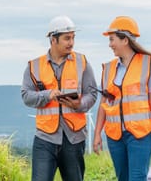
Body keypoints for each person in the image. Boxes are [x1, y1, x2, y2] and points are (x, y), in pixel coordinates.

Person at [21, 15, 97, 181]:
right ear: (53, 40)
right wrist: (47, 95)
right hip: (45, 137)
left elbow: (92, 93)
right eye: (66, 38)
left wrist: (80, 104)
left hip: (74, 137)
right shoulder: (34, 66)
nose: (71, 42)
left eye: (73, 38)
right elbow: (26, 96)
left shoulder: (81, 62)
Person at [93, 16, 151, 181]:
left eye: (112, 39)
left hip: (141, 134)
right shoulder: (108, 69)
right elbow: (103, 104)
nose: (110, 44)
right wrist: (97, 133)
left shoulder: (149, 64)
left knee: (137, 177)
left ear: (124, 40)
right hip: (114, 136)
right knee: (122, 178)